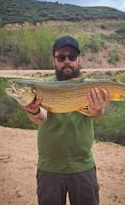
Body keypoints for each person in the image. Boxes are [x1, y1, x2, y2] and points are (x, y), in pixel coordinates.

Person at [20, 35, 110, 205]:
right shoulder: (43, 88)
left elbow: (95, 113)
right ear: (54, 61)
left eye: (72, 57)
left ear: (79, 60)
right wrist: (34, 110)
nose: (67, 61)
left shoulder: (90, 86)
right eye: (61, 57)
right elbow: (41, 118)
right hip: (49, 168)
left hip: (83, 167)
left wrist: (98, 109)